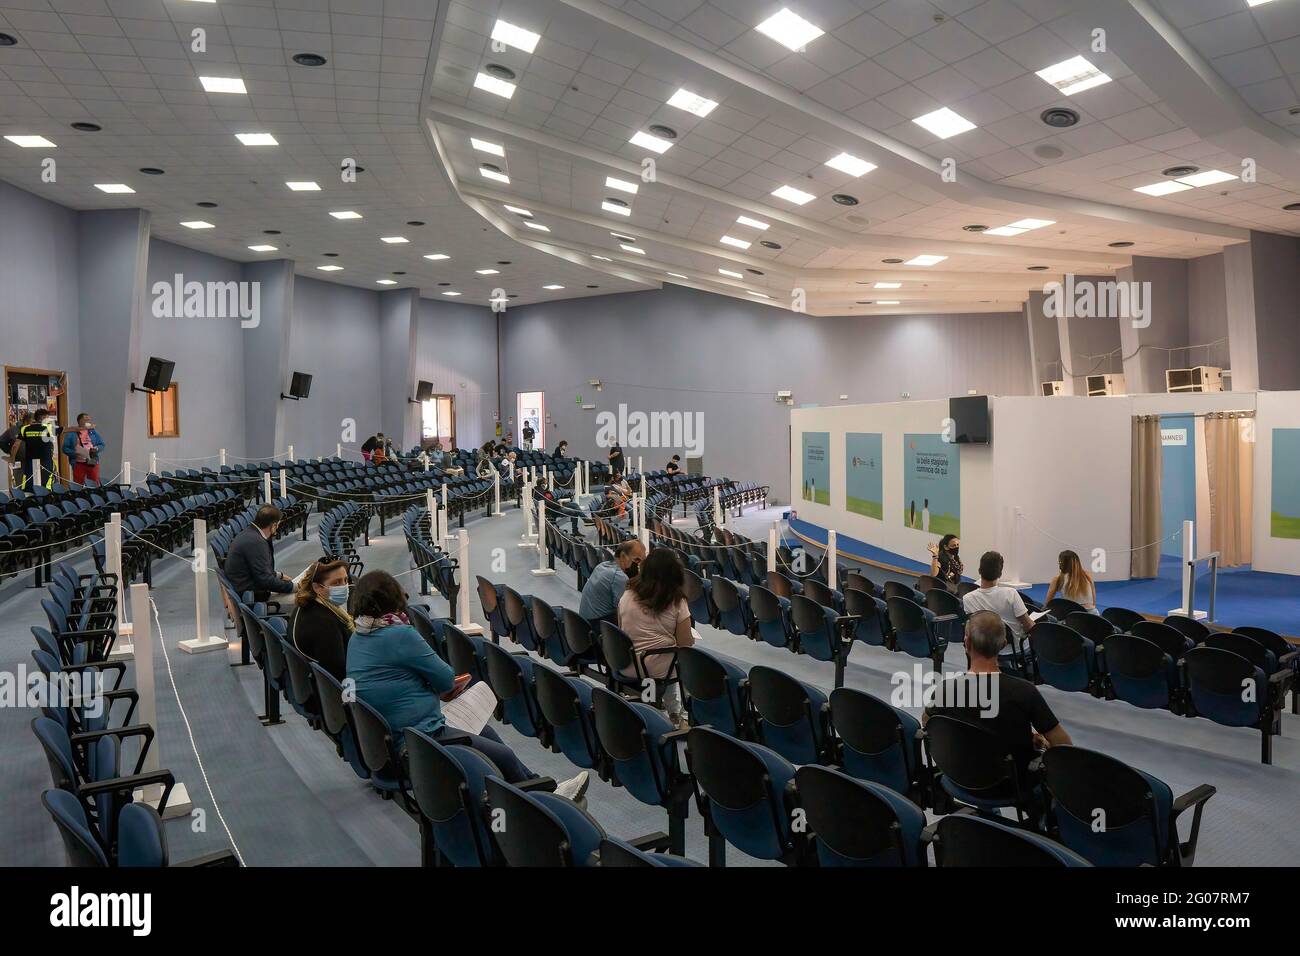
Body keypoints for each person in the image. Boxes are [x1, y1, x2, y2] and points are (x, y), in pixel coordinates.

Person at [345, 571, 590, 800]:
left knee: (484, 730)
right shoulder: (400, 634)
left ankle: (542, 788)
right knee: (502, 755)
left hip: (395, 737)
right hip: (420, 740)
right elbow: (444, 679)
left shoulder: (359, 636)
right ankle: (537, 804)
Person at [923, 610, 1071, 786]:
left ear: (966, 642)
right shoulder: (1024, 691)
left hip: (959, 776)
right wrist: (1026, 738)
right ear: (1003, 644)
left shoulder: (945, 689)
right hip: (1011, 784)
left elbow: (928, 723)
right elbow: (1063, 745)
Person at [617, 548, 695, 726]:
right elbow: (684, 643)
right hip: (652, 668)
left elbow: (621, 627)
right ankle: (678, 713)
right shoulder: (677, 601)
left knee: (666, 657)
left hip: (624, 662)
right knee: (681, 659)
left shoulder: (627, 594)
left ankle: (669, 709)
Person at [289, 557, 353, 681]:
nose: (344, 586)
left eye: (345, 580)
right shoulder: (323, 622)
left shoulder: (306, 605)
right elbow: (338, 671)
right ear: (317, 587)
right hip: (330, 692)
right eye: (336, 583)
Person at [962, 551, 1036, 651]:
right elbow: (1028, 625)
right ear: (1000, 573)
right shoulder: (1011, 594)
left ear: (979, 570)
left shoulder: (967, 599)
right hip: (1012, 649)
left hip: (981, 648)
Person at [224, 504, 295, 603]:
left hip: (246, 588)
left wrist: (280, 575)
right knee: (303, 599)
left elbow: (258, 569)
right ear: (274, 525)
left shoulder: (250, 534)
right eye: (278, 524)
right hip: (253, 596)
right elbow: (265, 580)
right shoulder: (256, 542)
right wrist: (294, 587)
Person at [579, 539, 645, 625]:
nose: (638, 565)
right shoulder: (619, 576)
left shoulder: (602, 565)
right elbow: (625, 610)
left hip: (584, 621)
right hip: (598, 624)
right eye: (636, 560)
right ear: (623, 556)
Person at [61, 412, 106, 485]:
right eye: (85, 420)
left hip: (92, 461)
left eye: (89, 420)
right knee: (78, 484)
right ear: (79, 421)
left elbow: (101, 444)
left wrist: (96, 448)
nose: (88, 422)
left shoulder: (93, 432)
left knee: (94, 483)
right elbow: (65, 448)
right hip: (78, 463)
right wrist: (74, 453)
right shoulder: (71, 433)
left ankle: (93, 496)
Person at [18, 408, 56, 489]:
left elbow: (15, 445)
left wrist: (12, 457)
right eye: (47, 417)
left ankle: (30, 500)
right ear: (42, 418)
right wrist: (79, 428)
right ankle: (45, 500)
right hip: (45, 461)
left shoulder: (25, 428)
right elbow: (65, 429)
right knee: (46, 486)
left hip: (29, 462)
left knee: (28, 485)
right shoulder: (49, 428)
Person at [0, 411, 30, 489]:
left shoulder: (31, 429)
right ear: (26, 421)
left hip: (31, 460)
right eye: (31, 422)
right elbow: (1, 441)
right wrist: (9, 450)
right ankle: (20, 499)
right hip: (18, 460)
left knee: (31, 482)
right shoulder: (13, 430)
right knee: (19, 483)